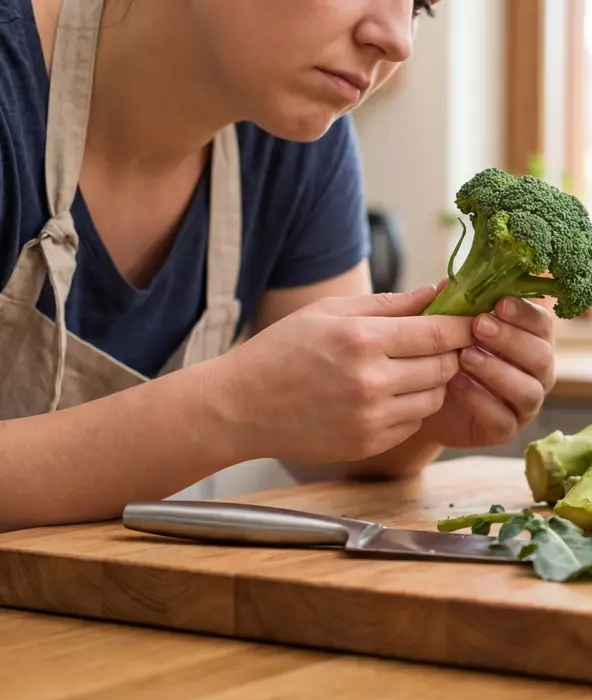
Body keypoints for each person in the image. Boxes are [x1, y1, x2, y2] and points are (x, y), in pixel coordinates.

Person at [0, 0, 558, 532]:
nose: (398, 40)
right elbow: (254, 411)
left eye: (419, 7)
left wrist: (423, 408)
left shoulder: (302, 147)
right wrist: (229, 409)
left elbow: (319, 441)